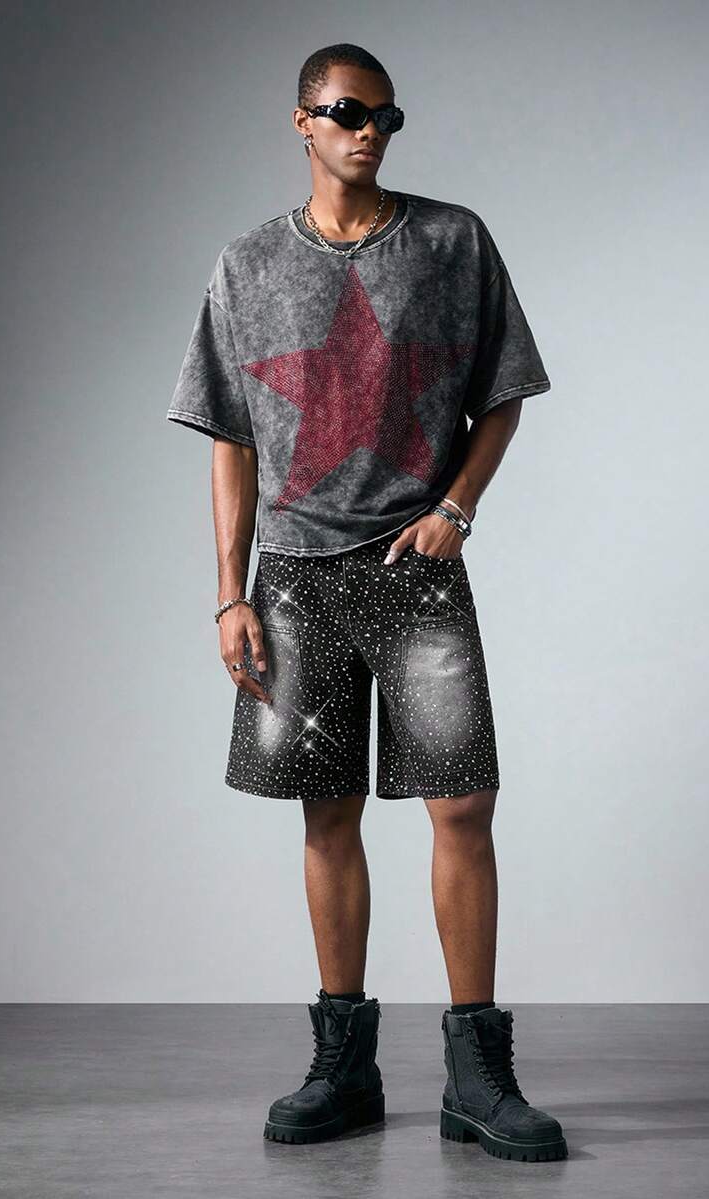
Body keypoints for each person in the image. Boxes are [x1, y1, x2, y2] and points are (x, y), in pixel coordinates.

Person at [166, 42, 567, 1164]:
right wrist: (228, 594)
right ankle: (343, 1065)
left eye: (387, 117)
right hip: (295, 576)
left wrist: (458, 508)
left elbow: (505, 392)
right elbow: (231, 439)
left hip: (414, 567)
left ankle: (477, 1074)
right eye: (347, 113)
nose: (368, 133)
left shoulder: (452, 242)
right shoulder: (247, 265)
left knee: (463, 804)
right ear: (301, 121)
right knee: (326, 811)